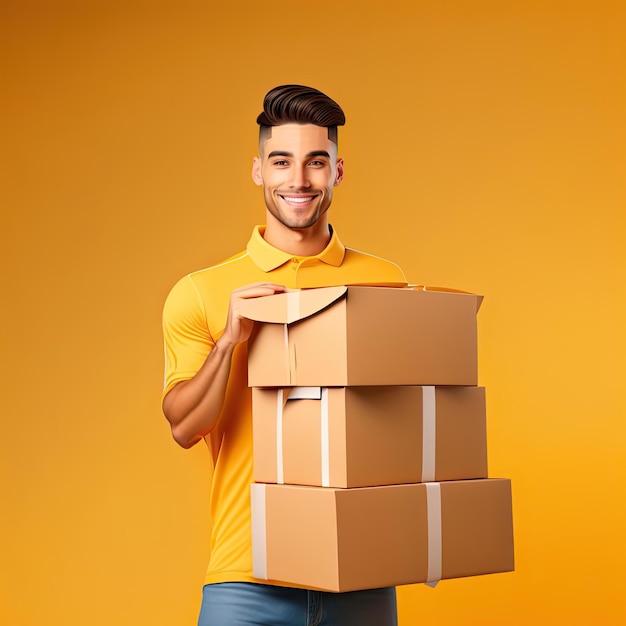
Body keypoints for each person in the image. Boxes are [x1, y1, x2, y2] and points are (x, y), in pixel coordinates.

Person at [162, 85, 407, 626]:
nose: (298, 180)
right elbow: (183, 428)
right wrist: (231, 342)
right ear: (258, 171)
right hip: (247, 576)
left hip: (360, 572)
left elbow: (409, 423)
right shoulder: (202, 291)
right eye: (282, 162)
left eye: (316, 163)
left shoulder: (386, 282)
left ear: (337, 171)